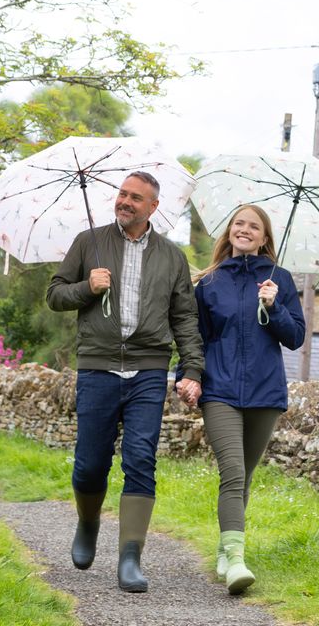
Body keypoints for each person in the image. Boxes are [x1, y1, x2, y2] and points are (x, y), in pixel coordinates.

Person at [46, 171, 203, 593]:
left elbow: (185, 318)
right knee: (90, 463)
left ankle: (130, 557)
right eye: (122, 194)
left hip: (148, 370)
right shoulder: (89, 242)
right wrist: (87, 287)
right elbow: (56, 295)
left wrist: (192, 368)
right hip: (97, 367)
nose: (126, 202)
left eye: (136, 198)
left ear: (153, 207)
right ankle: (88, 522)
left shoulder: (172, 257)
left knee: (140, 460)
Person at [189, 204, 305, 594]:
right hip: (219, 390)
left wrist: (275, 306)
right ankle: (237, 561)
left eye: (254, 226)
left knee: (245, 478)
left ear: (264, 237)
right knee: (233, 473)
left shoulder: (280, 280)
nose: (245, 229)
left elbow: (295, 338)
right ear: (229, 232)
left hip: (265, 393)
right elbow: (195, 339)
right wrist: (187, 377)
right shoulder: (208, 283)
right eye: (238, 223)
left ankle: (225, 548)